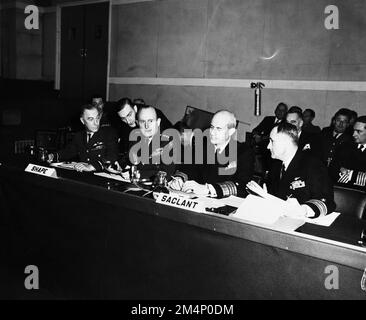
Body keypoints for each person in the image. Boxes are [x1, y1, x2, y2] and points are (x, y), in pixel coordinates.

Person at [248, 122, 335, 218]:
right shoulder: (276, 165)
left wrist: (304, 210)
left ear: (286, 142)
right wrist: (265, 196)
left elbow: (326, 201)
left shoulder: (313, 165)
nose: (268, 146)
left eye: (272, 141)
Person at [170, 110, 254, 198]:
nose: (212, 132)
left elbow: (242, 185)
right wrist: (179, 179)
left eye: (218, 128)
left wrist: (208, 189)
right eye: (212, 127)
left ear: (231, 131)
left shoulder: (243, 152)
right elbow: (188, 168)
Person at [48, 104, 119, 172]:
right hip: (84, 176)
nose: (96, 123)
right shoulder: (79, 136)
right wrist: (53, 156)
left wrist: (92, 166)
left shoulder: (109, 133)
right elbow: (68, 151)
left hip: (102, 176)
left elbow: (112, 157)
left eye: (97, 118)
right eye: (91, 119)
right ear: (82, 121)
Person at [122, 105, 175, 181]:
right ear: (138, 123)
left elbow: (166, 173)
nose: (147, 126)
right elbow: (127, 160)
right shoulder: (135, 139)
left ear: (158, 122)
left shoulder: (167, 142)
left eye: (150, 121)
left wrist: (136, 172)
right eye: (143, 121)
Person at [330, 116, 366, 190]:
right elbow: (333, 170)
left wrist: (349, 174)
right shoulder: (345, 146)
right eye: (354, 130)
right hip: (343, 192)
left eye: (359, 131)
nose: (354, 134)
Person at [252, 102, 288, 172]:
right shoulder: (268, 119)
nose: (280, 112)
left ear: (285, 113)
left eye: (282, 111)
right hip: (262, 148)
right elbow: (256, 130)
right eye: (278, 109)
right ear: (275, 110)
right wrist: (256, 135)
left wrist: (261, 138)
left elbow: (274, 137)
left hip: (274, 151)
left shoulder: (285, 124)